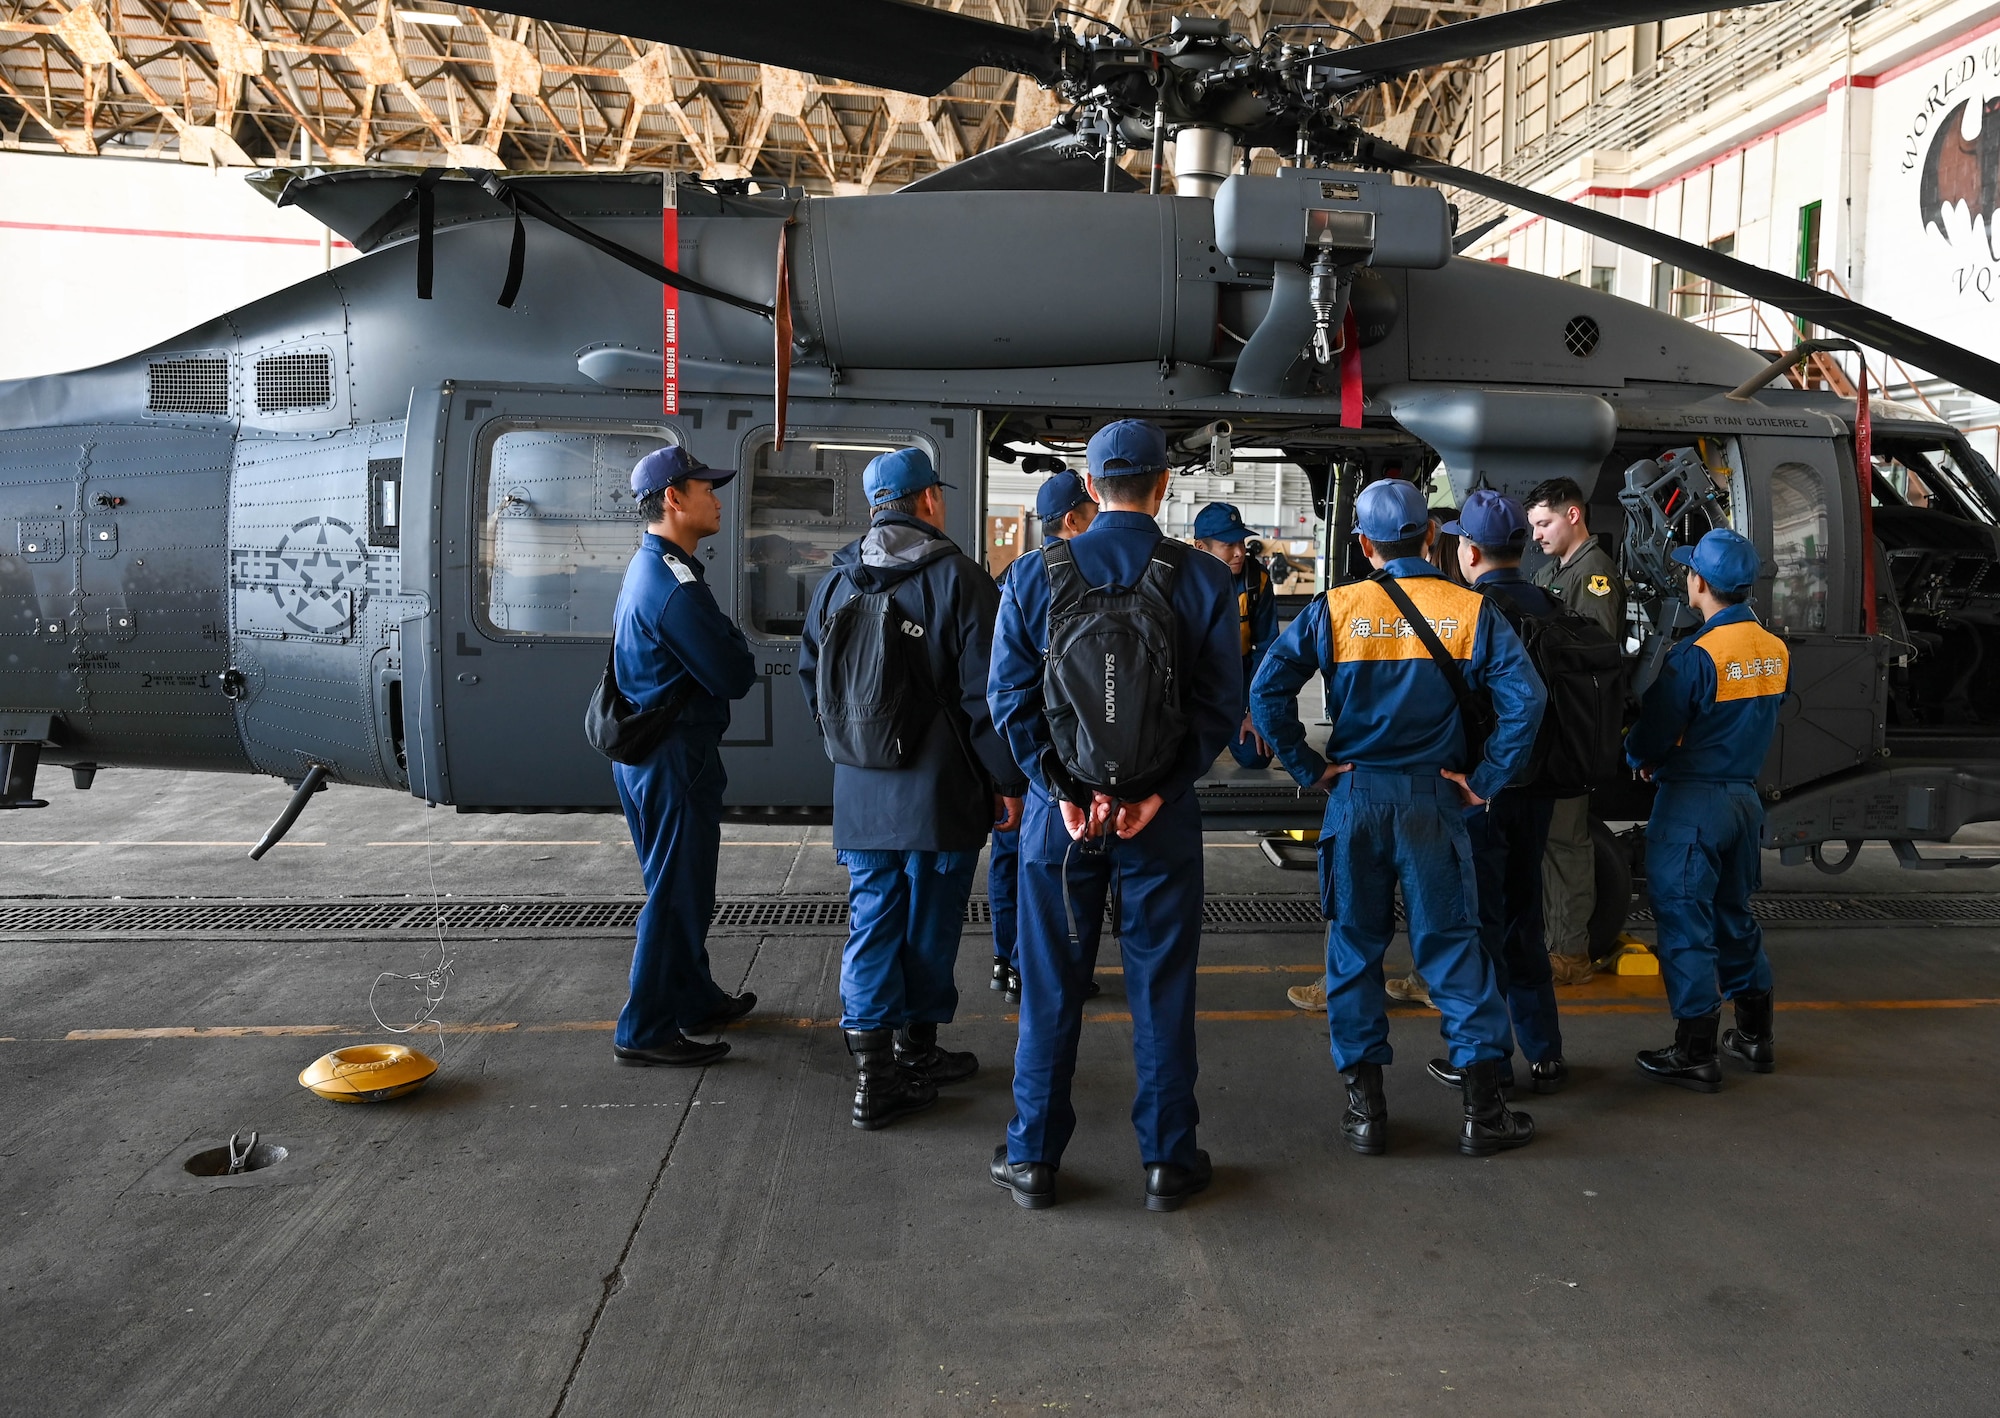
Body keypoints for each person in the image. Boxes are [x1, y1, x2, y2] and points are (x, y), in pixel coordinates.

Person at [1251, 478, 1546, 1158]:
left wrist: (1309, 766)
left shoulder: (1336, 608)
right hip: (1434, 802)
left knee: (1353, 953)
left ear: (1362, 543)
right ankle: (1483, 1113)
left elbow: (1267, 691)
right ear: (1432, 536)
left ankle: (1366, 1113)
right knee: (1453, 949)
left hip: (1355, 801)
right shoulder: (1468, 610)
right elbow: (1526, 701)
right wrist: (1486, 780)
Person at [988, 420, 1240, 1211]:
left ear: (1090, 488)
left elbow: (1008, 701)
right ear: (1164, 485)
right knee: (1160, 985)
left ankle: (1033, 1158)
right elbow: (1218, 707)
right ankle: (1167, 1161)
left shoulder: (1034, 574)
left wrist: (1064, 792)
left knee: (1052, 987)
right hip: (1158, 823)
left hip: (1058, 830)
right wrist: (1156, 793)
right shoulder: (1201, 579)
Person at [800, 447, 1027, 1130]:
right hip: (938, 792)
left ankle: (878, 1077)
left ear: (877, 505)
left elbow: (812, 680)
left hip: (861, 791)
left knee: (872, 924)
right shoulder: (958, 579)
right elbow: (988, 698)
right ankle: (912, 1055)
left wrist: (850, 747)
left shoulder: (835, 582)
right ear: (927, 500)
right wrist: (1007, 781)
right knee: (930, 923)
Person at [609, 446, 760, 1068]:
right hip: (675, 759)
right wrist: (730, 637)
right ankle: (644, 1028)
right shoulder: (675, 585)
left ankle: (693, 997)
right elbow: (733, 671)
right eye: (706, 489)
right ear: (675, 498)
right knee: (677, 893)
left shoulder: (653, 569)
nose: (717, 499)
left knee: (680, 887)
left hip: (651, 756)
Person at [1624, 528, 1787, 1092]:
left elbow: (1655, 732)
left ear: (1699, 582)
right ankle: (1756, 1035)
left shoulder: (1695, 657)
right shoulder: (1774, 648)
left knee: (1685, 923)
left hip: (1693, 804)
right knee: (1733, 915)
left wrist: (1638, 756)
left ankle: (1694, 1051)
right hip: (1744, 802)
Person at [1428, 491, 1569, 1095]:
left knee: (1478, 927)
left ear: (1469, 549)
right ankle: (1544, 1053)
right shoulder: (1553, 601)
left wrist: (1481, 780)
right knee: (1524, 919)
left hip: (1482, 790)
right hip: (1539, 786)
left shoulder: (1468, 612)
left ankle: (1483, 1060)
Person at [989, 470, 1101, 1004]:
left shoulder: (1018, 576)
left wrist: (1034, 770)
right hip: (1064, 764)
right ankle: (1042, 970)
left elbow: (1003, 687)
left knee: (1017, 862)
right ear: (1073, 520)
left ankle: (1009, 963)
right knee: (1059, 879)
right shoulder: (1091, 573)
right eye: (1091, 509)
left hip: (1030, 757)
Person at [1525, 476, 1626, 985]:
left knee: (1566, 840)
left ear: (1572, 515)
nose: (1537, 535)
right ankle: (1555, 941)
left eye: (1544, 523)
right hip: (1552, 728)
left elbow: (1592, 659)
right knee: (1549, 841)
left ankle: (1570, 952)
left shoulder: (1594, 576)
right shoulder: (1554, 571)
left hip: (1572, 729)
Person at [1193, 501, 1278, 770]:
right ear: (1201, 548)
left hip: (1239, 677)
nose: (1240, 552)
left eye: (1241, 542)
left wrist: (1256, 711)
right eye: (1228, 545)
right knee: (1184, 764)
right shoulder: (1182, 581)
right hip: (1193, 680)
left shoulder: (1257, 580)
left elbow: (1268, 648)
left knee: (1257, 755)